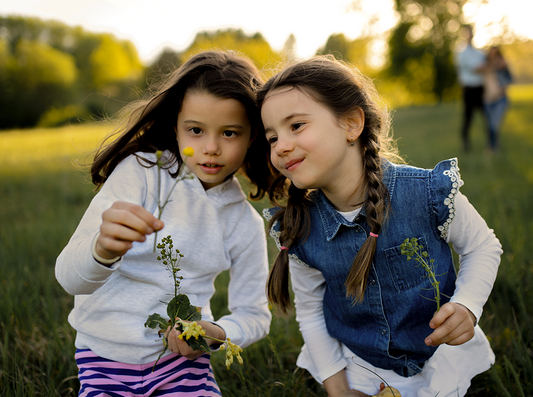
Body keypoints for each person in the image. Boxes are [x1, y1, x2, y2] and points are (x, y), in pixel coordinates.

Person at [258, 56, 502, 397]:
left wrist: (467, 305)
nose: (281, 146)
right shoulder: (301, 229)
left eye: (296, 126)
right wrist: (337, 386)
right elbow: (312, 313)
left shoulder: (427, 193)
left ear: (351, 124)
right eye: (271, 137)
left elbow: (482, 246)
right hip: (360, 361)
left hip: (438, 355)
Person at [56, 51, 272, 396]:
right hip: (105, 357)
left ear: (253, 137)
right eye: (196, 130)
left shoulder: (242, 221)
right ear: (176, 127)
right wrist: (102, 249)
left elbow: (255, 315)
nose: (211, 148)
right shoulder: (141, 172)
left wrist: (213, 332)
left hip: (182, 364)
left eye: (230, 133)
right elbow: (69, 278)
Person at [456, 25, 488, 152]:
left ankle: (490, 143)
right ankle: (465, 144)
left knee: (487, 117)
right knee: (468, 118)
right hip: (469, 89)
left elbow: (485, 64)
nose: (469, 35)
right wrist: (486, 66)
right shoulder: (462, 53)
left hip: (480, 88)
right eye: (467, 33)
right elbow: (477, 68)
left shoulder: (479, 52)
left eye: (471, 32)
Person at [481, 45, 512, 151]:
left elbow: (509, 79)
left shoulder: (502, 67)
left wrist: (502, 88)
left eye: (496, 54)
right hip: (487, 100)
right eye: (491, 54)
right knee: (489, 125)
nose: (493, 57)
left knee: (494, 123)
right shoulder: (485, 67)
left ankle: (494, 147)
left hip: (499, 99)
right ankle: (492, 146)